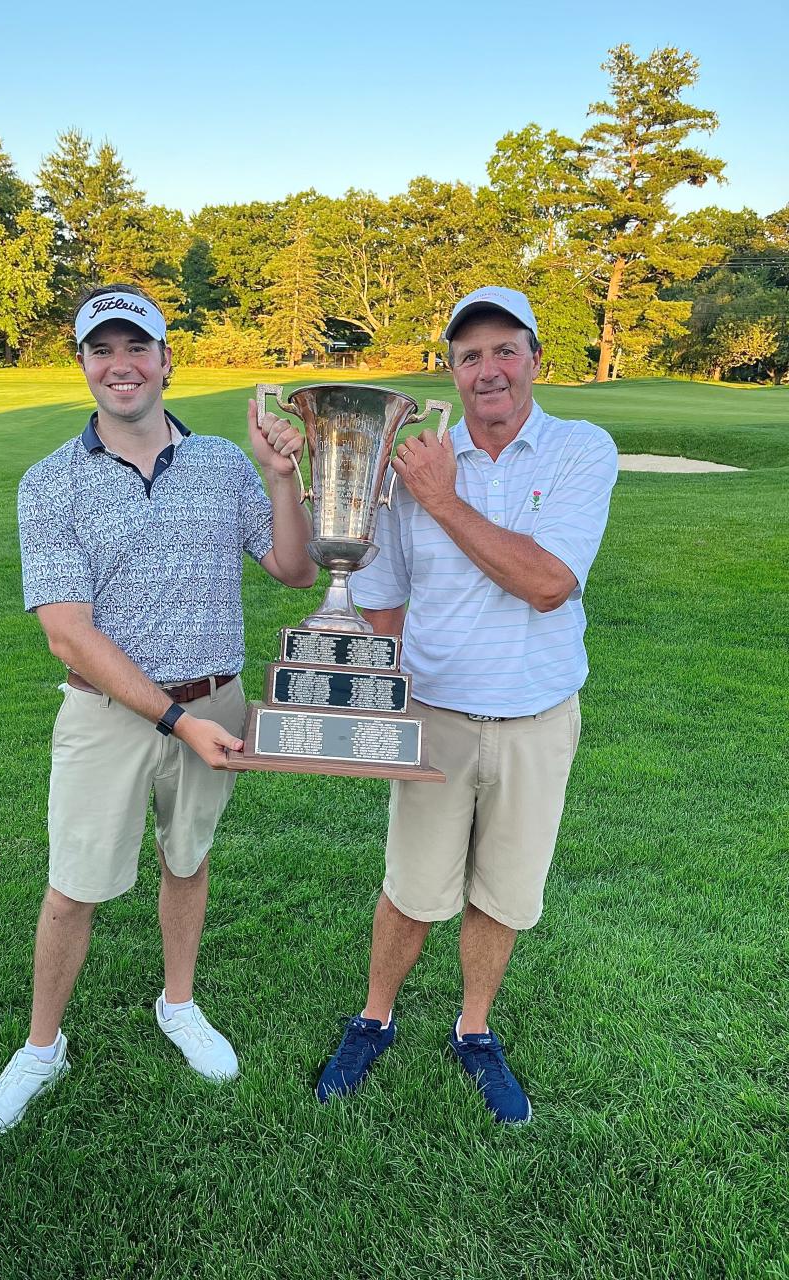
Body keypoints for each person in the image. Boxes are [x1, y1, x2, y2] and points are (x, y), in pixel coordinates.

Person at [0, 283, 316, 1140]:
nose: (121, 365)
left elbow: (296, 570)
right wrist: (175, 721)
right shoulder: (48, 483)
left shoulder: (225, 463)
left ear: (166, 359)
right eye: (101, 350)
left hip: (215, 701)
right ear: (83, 364)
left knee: (186, 863)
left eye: (137, 347)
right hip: (109, 719)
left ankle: (179, 1003)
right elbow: (68, 636)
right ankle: (42, 1048)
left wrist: (281, 478)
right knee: (73, 888)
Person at [316, 286, 618, 1123]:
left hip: (535, 717)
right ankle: (373, 1017)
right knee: (412, 890)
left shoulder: (579, 450)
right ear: (451, 372)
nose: (489, 370)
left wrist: (445, 498)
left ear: (535, 360)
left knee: (504, 895)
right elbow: (379, 599)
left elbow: (549, 584)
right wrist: (372, 694)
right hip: (436, 719)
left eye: (504, 350)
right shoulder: (414, 468)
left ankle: (474, 1030)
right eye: (469, 355)